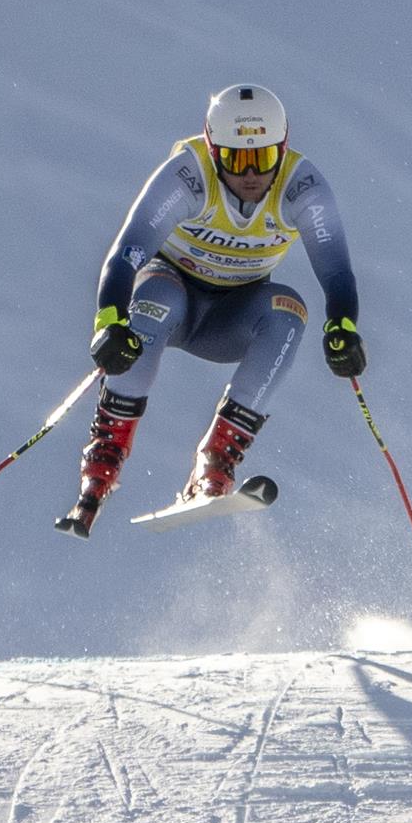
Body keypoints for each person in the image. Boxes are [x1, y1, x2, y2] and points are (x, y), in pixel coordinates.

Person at [57, 84, 362, 537]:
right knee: (159, 300)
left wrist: (343, 326)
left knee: (289, 310)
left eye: (263, 158)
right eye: (237, 160)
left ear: (282, 148)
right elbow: (127, 251)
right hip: (172, 290)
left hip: (233, 315)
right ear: (214, 149)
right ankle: (103, 463)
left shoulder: (302, 186)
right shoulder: (188, 174)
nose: (252, 174)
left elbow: (336, 270)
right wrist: (110, 321)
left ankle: (216, 461)